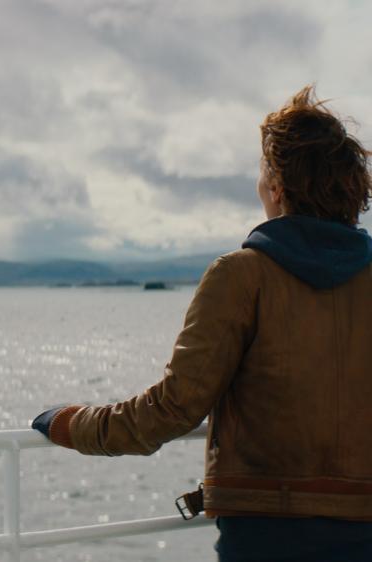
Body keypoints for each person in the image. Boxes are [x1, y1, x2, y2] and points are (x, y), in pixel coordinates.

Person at [32, 85, 372, 562]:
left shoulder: (241, 275)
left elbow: (172, 409)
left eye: (262, 175)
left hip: (265, 535)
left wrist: (70, 424)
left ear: (277, 188)